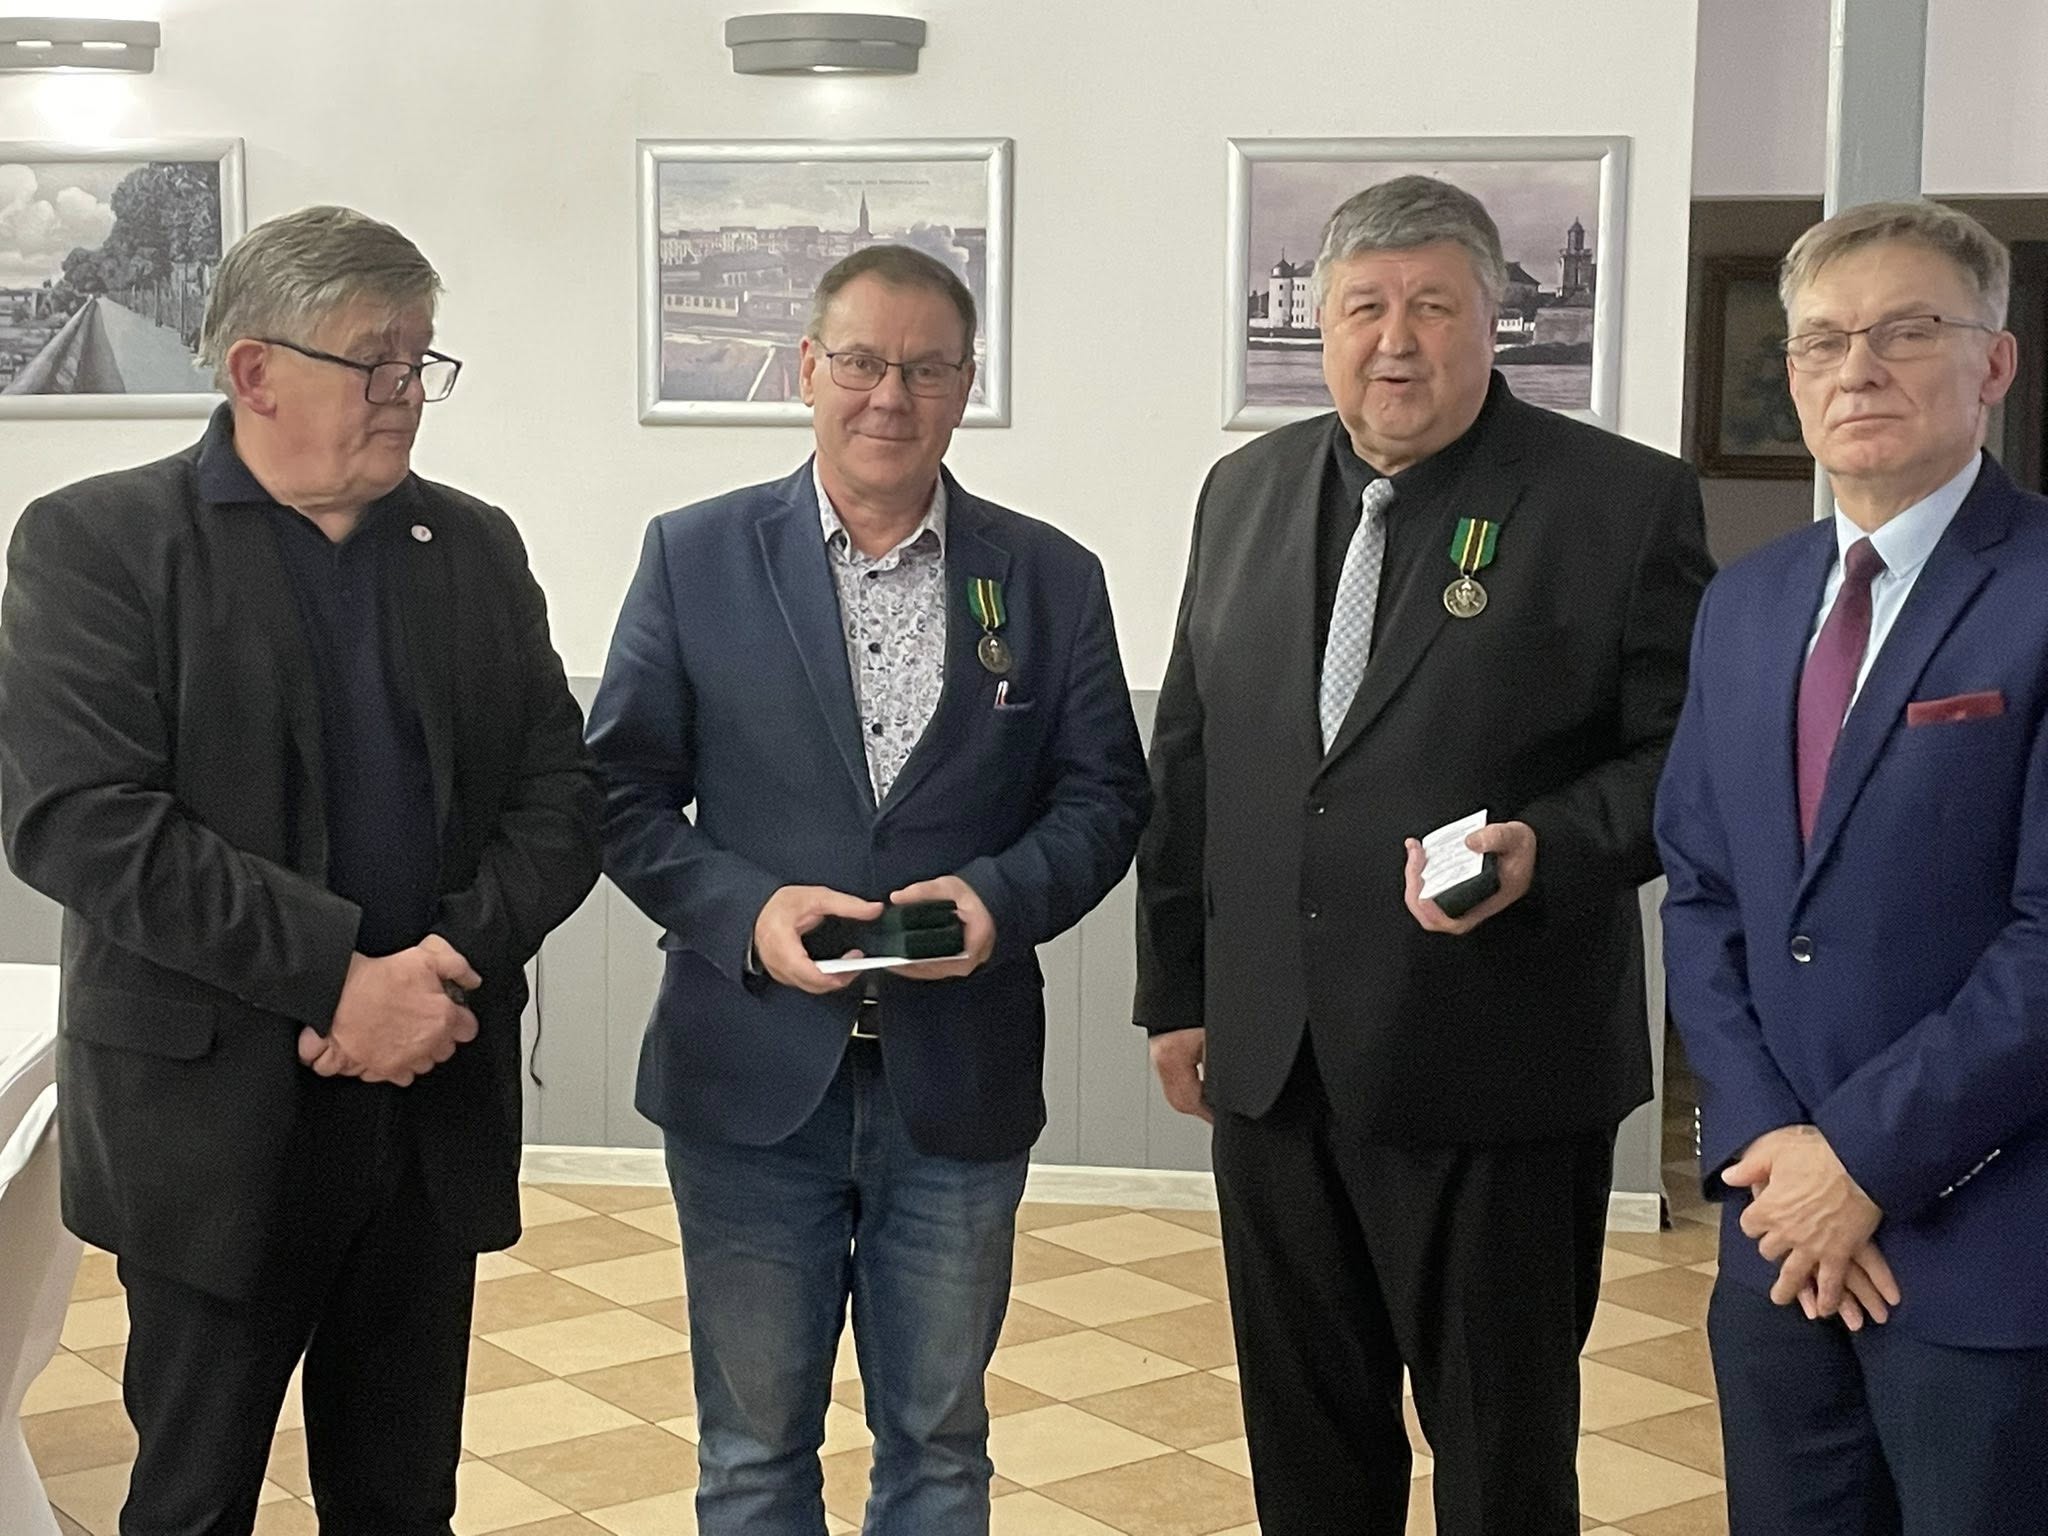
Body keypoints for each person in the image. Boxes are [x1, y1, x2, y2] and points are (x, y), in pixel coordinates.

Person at [0, 205, 601, 1536]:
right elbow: (83, 819)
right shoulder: (99, 543)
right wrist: (338, 979)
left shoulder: (473, 547)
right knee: (193, 1499)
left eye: (421, 361)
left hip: (427, 1104)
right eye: (375, 361)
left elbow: (561, 796)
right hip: (209, 1127)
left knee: (401, 1500)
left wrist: (441, 967)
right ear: (254, 371)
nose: (408, 393)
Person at [1133, 175, 1712, 1535]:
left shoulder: (1619, 501)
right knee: (1307, 1450)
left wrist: (1546, 846)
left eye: (1433, 307)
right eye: (1364, 308)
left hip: (1496, 1070)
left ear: (1492, 321)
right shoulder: (1244, 491)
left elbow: (1687, 758)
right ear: (1322, 325)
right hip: (1276, 1070)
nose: (1395, 341)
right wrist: (1178, 993)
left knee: (1502, 1462)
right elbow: (1194, 757)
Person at [587, 243, 1149, 1536]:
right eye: (860, 361)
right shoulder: (694, 556)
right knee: (750, 1457)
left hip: (956, 1088)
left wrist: (1000, 902)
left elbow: (1106, 797)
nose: (889, 395)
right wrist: (744, 915)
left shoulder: (1050, 577)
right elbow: (617, 795)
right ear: (806, 369)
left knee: (940, 1450)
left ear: (966, 385)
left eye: (926, 368)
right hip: (748, 1084)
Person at [1656, 198, 2048, 1534]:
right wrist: (1772, 1145)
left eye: (1907, 330)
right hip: (1777, 1245)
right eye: (1821, 341)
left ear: (1995, 363)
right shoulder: (1745, 603)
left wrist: (1865, 1162)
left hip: (1991, 1254)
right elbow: (1703, 894)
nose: (1858, 368)